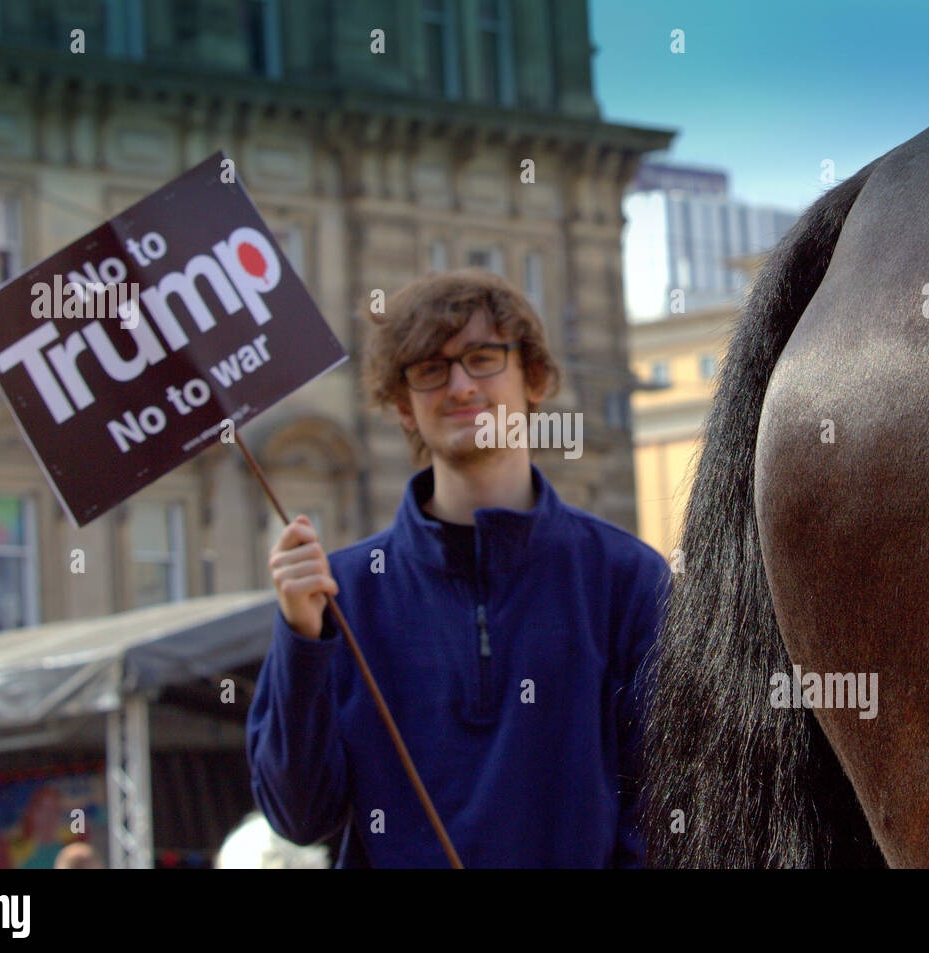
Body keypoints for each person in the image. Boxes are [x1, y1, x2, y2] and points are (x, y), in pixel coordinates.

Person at [246, 269, 669, 867]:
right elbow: (298, 816)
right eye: (430, 369)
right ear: (403, 406)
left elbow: (669, 804)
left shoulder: (626, 579)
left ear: (534, 377)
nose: (460, 385)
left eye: (482, 357)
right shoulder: (342, 595)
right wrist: (302, 642)